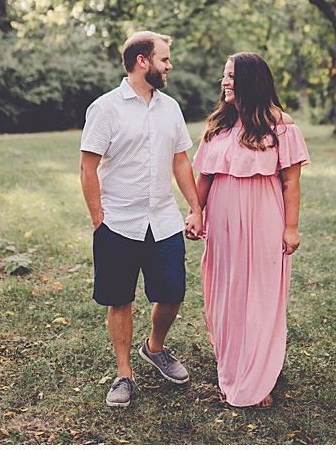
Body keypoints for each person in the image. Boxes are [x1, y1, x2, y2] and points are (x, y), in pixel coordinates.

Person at [78, 31, 205, 409]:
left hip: (163, 221)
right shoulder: (105, 108)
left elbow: (181, 160)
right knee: (119, 299)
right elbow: (87, 167)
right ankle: (124, 374)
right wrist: (99, 219)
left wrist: (195, 207)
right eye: (164, 59)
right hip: (118, 222)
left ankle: (155, 347)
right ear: (142, 62)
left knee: (172, 293)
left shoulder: (171, 108)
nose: (170, 66)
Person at [191, 51, 309, 409]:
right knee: (228, 290)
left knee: (259, 294)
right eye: (224, 76)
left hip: (264, 217)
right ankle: (233, 360)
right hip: (224, 220)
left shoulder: (280, 125)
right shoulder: (218, 125)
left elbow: (291, 182)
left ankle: (257, 375)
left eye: (231, 76)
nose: (225, 82)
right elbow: (205, 177)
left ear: (251, 80)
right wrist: (196, 214)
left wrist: (291, 229)